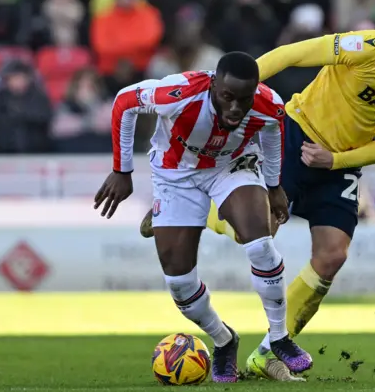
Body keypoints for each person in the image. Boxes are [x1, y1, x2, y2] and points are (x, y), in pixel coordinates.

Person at [140, 0, 375, 380]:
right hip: (297, 135)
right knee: (263, 228)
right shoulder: (370, 46)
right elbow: (294, 53)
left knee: (333, 255)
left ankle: (266, 352)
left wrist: (337, 161)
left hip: (340, 163)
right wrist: (235, 89)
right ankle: (181, 210)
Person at [93, 52, 313, 383]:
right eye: (228, 97)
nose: (237, 108)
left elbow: (271, 133)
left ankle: (280, 337)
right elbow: (125, 102)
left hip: (232, 167)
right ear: (214, 86)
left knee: (260, 241)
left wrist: (273, 186)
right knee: (180, 284)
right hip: (175, 174)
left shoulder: (268, 103)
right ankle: (224, 339)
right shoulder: (178, 93)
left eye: (244, 98)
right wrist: (122, 170)